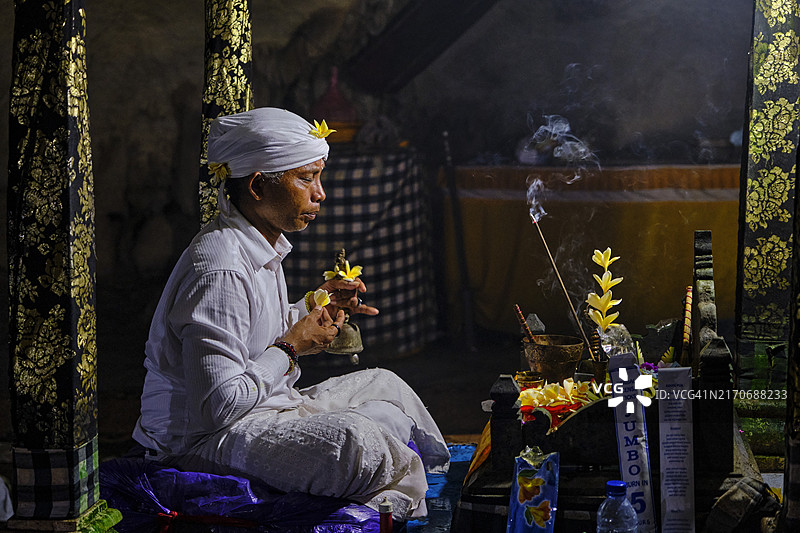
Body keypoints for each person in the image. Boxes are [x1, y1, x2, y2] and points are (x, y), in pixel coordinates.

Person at [132, 107, 450, 520]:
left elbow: (252, 333)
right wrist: (291, 347)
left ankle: (416, 482)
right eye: (306, 178)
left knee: (386, 388)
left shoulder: (260, 245)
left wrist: (313, 308)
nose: (320, 193)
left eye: (319, 176)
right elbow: (217, 407)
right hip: (201, 441)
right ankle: (388, 504)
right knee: (355, 443)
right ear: (258, 187)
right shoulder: (222, 267)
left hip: (265, 409)